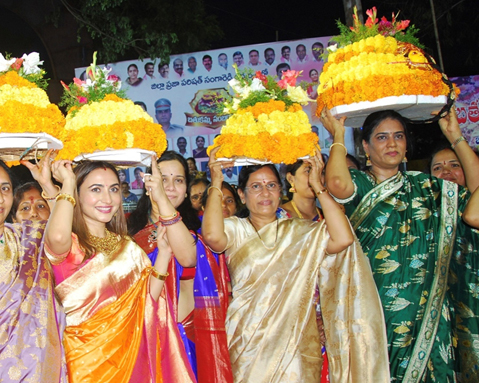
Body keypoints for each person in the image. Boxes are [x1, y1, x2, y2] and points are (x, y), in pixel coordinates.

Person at [202, 147, 389, 382]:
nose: (265, 193)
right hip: (247, 343)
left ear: (281, 191)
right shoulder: (236, 229)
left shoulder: (300, 231)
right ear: (242, 195)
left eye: (271, 185)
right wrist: (216, 180)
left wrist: (318, 187)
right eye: (256, 187)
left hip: (297, 346)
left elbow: (343, 238)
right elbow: (211, 236)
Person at [322, 107, 476, 382]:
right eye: (381, 138)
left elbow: (475, 195)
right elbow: (335, 183)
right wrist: (337, 134)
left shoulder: (428, 187)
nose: (392, 143)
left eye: (398, 136)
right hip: (375, 312)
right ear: (366, 147)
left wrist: (456, 138)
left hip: (429, 314)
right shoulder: (359, 183)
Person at [42, 158, 193, 382]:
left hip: (133, 356)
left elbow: (148, 299)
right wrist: (66, 183)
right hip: (86, 362)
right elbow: (55, 235)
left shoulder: (126, 245)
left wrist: (163, 254)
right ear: (76, 194)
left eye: (113, 189)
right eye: (96, 189)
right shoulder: (69, 245)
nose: (107, 199)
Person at [128, 151, 233, 383]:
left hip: (186, 342)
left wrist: (162, 198)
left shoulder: (196, 232)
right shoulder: (128, 234)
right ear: (148, 183)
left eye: (178, 180)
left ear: (186, 190)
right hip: (140, 339)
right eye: (163, 179)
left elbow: (188, 258)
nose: (171, 187)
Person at [1, 152, 68, 382]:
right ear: (14, 217)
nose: (33, 214)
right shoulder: (13, 240)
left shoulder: (60, 245)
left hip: (46, 354)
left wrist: (49, 185)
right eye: (25, 209)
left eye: (41, 206)